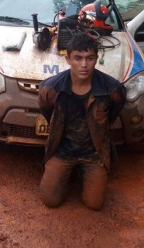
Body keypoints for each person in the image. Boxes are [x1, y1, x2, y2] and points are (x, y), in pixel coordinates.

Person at [38, 29, 126, 210]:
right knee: (50, 201)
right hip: (62, 151)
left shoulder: (112, 89)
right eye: (78, 58)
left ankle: (84, 174)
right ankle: (66, 173)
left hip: (93, 154)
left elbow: (113, 113)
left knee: (94, 204)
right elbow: (47, 112)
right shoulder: (51, 89)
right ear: (68, 59)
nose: (84, 64)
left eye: (90, 58)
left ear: (96, 58)